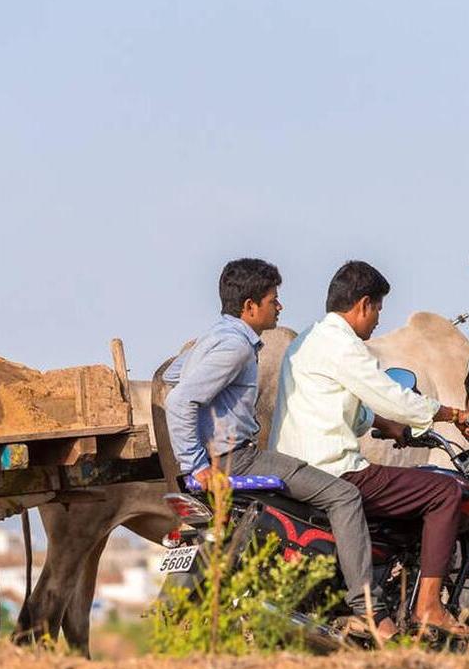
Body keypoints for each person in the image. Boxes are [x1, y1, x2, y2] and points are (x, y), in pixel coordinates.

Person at [163, 258, 397, 640]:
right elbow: (181, 400)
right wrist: (195, 464)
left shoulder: (215, 337)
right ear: (250, 306)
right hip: (238, 459)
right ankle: (367, 609)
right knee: (344, 496)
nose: (280, 306)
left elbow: (174, 376)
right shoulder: (236, 347)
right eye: (274, 300)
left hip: (223, 459)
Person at [270, 260, 469, 637]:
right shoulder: (345, 346)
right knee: (446, 492)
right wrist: (453, 414)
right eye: (379, 311)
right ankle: (430, 606)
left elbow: (333, 409)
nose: (378, 321)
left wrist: (382, 425)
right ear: (364, 304)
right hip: (334, 469)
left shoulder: (309, 339)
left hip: (297, 467)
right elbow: (391, 396)